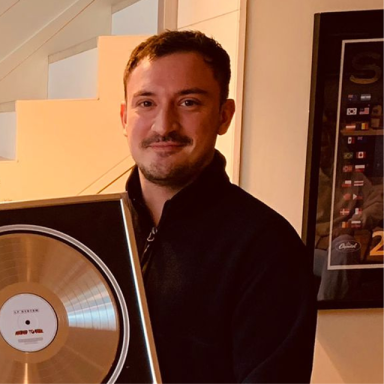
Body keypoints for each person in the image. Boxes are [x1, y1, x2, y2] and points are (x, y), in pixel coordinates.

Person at [120, 30, 317, 383]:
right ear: (124, 117)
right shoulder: (92, 232)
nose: (164, 125)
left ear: (224, 116)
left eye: (189, 102)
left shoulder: (266, 247)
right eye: (146, 103)